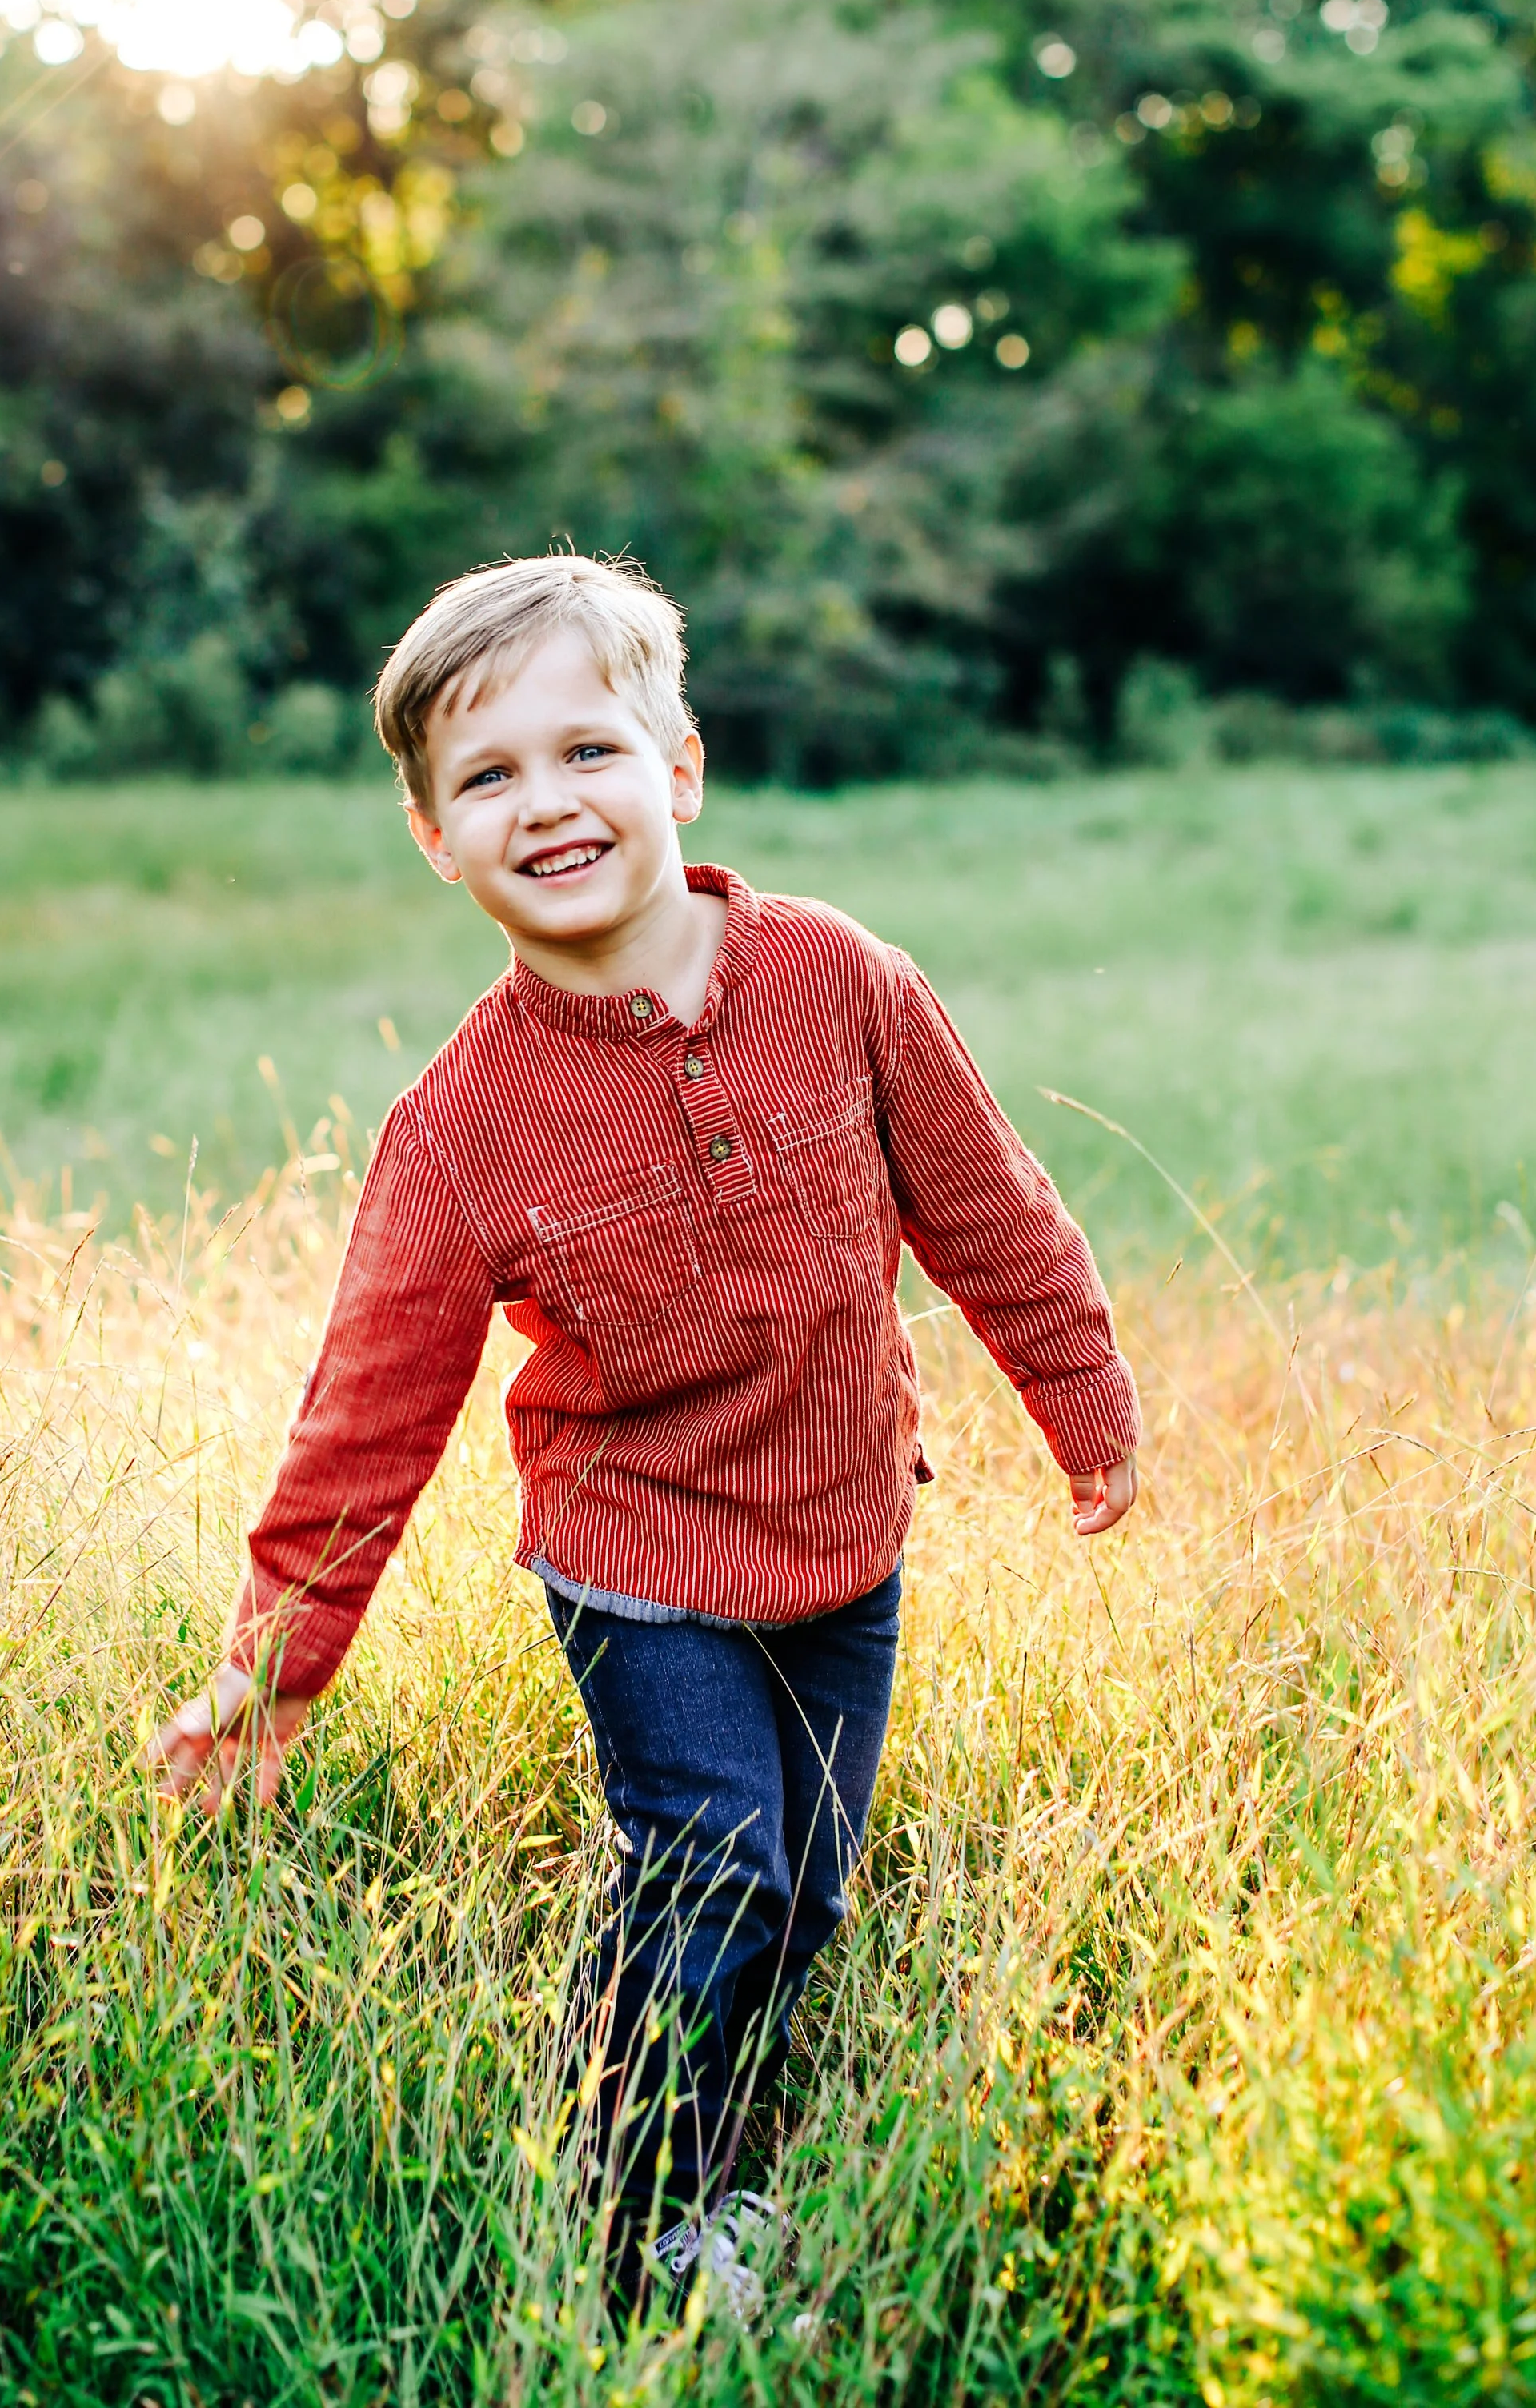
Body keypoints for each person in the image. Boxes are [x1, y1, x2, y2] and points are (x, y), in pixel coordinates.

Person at [148, 553, 1139, 2316]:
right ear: (432, 839)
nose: (547, 802)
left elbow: (988, 1206)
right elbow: (365, 1414)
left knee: (805, 1891)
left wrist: (1082, 1400)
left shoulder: (837, 977)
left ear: (676, 765)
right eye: (488, 776)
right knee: (706, 1860)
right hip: (636, 1564)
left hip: (844, 1544)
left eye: (585, 749)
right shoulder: (458, 1129)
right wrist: (276, 1665)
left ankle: (718, 2174)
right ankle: (610, 2222)